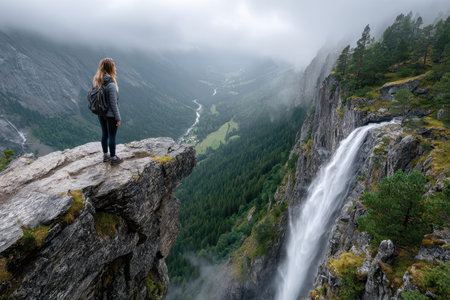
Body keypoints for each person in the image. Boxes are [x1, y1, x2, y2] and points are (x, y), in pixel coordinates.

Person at [93, 58, 123, 166]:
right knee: (112, 136)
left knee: (104, 134)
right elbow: (113, 104)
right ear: (111, 68)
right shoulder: (111, 84)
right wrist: (118, 118)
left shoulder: (98, 82)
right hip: (110, 115)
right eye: (113, 66)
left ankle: (106, 155)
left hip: (101, 113)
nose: (115, 68)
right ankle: (114, 158)